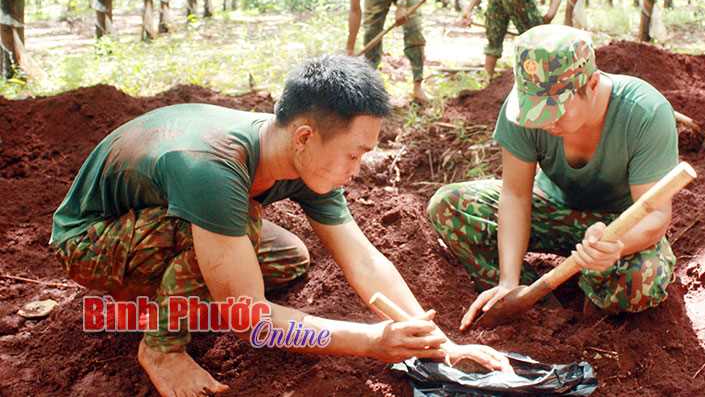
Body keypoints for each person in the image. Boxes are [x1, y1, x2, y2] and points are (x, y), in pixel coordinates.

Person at [50, 55, 510, 397]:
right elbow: (251, 322)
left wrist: (437, 344)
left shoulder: (300, 155)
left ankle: (186, 286)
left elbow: (364, 258)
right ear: (306, 136)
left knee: (290, 257)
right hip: (90, 241)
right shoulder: (212, 169)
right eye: (355, 153)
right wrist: (371, 341)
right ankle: (162, 349)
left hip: (161, 216)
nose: (358, 167)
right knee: (241, 229)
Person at [427, 25, 679, 330]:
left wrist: (614, 246)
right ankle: (538, 304)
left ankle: (594, 302)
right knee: (449, 206)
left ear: (593, 84)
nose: (545, 122)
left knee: (641, 279)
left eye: (556, 111)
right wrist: (509, 280)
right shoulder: (522, 112)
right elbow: (516, 195)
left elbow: (655, 215)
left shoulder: (645, 113)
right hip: (549, 210)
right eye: (536, 111)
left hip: (617, 228)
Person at [340, 0, 429, 103]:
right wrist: (350, 48)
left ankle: (418, 86)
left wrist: (402, 4)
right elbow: (355, 10)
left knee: (413, 29)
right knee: (371, 33)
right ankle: (370, 89)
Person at [459, 0, 579, 76]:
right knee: (535, 41)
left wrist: (468, 10)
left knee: (494, 37)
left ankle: (486, 78)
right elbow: (550, 14)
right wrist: (537, 29)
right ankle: (534, 80)